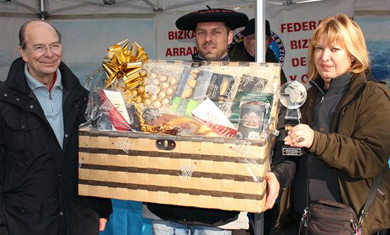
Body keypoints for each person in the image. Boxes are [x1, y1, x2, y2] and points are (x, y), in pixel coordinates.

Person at [142, 7, 282, 235]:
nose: (208, 39)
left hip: (218, 210)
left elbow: (264, 135)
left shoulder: (249, 82)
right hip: (167, 207)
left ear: (229, 37)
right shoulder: (173, 78)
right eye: (201, 33)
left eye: (216, 32)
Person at [271, 14, 390, 235]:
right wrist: (278, 176)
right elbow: (290, 153)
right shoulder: (307, 96)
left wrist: (316, 140)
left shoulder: (373, 95)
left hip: (347, 223)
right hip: (301, 222)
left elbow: (369, 158)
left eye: (335, 49)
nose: (324, 56)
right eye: (319, 48)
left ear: (353, 55)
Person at [0, 19, 112, 235]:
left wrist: (101, 207)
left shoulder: (83, 98)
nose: (49, 54)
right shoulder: (4, 101)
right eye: (39, 47)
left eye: (54, 45)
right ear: (23, 52)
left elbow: (93, 157)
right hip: (23, 222)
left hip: (78, 219)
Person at [229, 18, 287, 85]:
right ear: (245, 41)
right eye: (254, 38)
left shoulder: (270, 57)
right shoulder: (232, 60)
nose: (260, 43)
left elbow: (282, 87)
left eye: (264, 38)